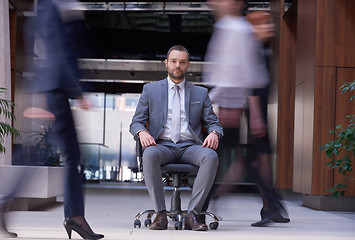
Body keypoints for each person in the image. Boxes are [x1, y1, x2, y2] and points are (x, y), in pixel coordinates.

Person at [202, 0, 289, 227]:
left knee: (240, 157)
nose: (269, 27)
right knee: (234, 157)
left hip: (240, 105)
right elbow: (235, 76)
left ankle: (269, 206)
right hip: (239, 105)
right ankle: (269, 205)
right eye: (264, 23)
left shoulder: (241, 33)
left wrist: (230, 104)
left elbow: (247, 77)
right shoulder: (232, 30)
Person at [130, 45, 223, 231]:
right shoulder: (150, 90)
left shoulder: (200, 93)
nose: (177, 65)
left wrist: (214, 133)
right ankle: (160, 214)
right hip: (161, 145)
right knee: (149, 154)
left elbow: (214, 123)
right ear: (166, 63)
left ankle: (193, 214)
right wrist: (142, 132)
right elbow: (136, 122)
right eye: (173, 61)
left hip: (190, 147)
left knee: (211, 157)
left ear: (188, 65)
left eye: (182, 62)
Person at [33, 1, 104, 239]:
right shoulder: (54, 5)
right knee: (69, 156)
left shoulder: (54, 6)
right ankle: (74, 217)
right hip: (58, 88)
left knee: (66, 155)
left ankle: (75, 216)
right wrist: (78, 91)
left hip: (55, 88)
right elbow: (61, 51)